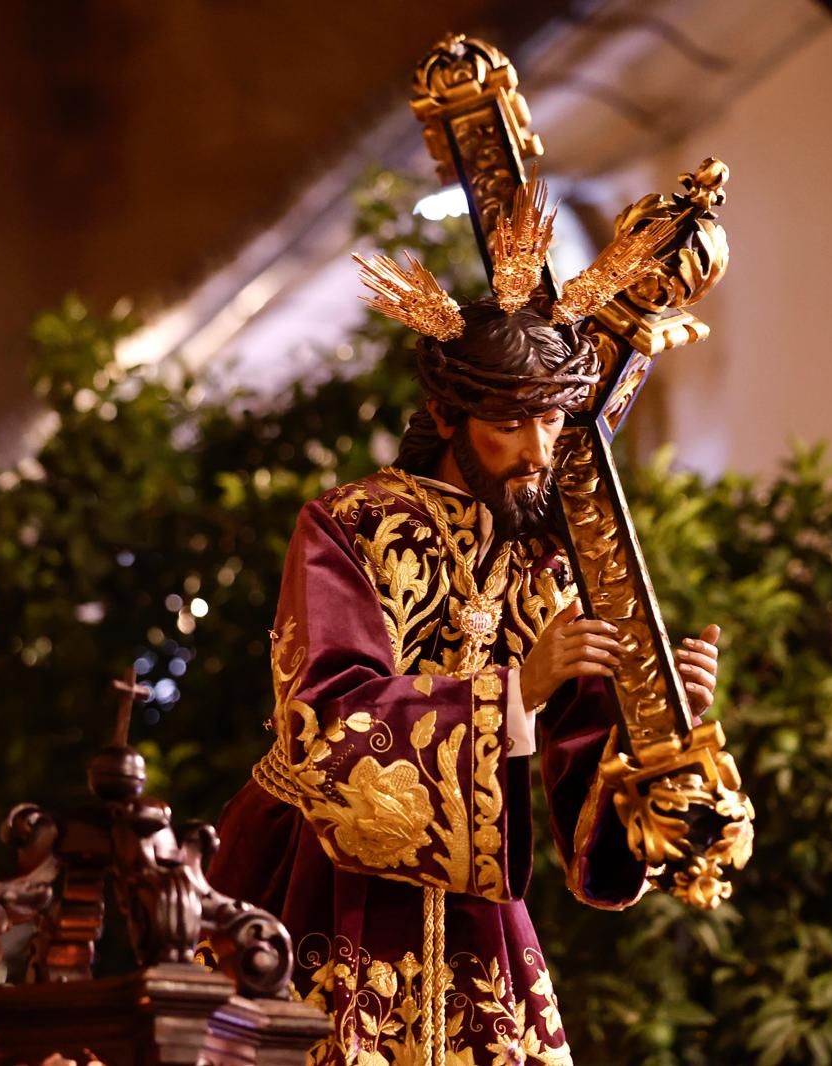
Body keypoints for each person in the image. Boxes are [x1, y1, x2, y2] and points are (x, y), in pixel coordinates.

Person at [207, 186, 721, 1066]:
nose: (535, 451)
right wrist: (519, 689)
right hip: (326, 883)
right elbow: (326, 726)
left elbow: (581, 769)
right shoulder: (351, 527)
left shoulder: (539, 562)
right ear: (448, 417)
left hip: (479, 914)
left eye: (553, 421)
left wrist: (656, 709)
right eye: (509, 423)